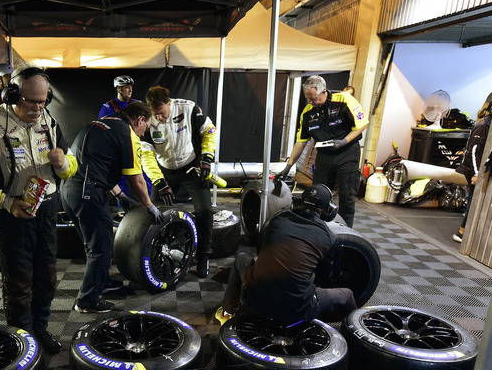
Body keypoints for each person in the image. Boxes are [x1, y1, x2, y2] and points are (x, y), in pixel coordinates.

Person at [0, 63, 78, 355]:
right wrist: (6, 202)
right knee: (19, 284)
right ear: (10, 93)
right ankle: (22, 343)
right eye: (31, 101)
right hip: (9, 214)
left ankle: (39, 329)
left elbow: (70, 166)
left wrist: (64, 164)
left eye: (43, 101)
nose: (38, 108)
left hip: (47, 210)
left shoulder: (48, 122)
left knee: (46, 279)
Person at [61, 102, 163, 313]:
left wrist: (120, 195)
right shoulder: (128, 134)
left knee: (93, 245)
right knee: (101, 247)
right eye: (147, 126)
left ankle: (101, 282)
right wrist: (150, 206)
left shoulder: (101, 123)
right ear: (140, 120)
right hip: (88, 194)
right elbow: (137, 180)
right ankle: (87, 301)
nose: (145, 133)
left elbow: (98, 164)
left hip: (68, 191)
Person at [215, 184, 357, 326]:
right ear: (329, 211)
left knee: (242, 258)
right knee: (347, 295)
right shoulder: (328, 237)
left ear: (297, 202)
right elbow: (326, 277)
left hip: (253, 300)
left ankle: (228, 311)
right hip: (296, 310)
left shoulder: (278, 220)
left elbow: (263, 250)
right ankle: (354, 332)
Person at [141, 85, 217, 278]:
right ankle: (154, 253)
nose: (159, 117)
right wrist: (159, 182)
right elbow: (147, 155)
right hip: (164, 170)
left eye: (162, 113)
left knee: (205, 211)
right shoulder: (147, 118)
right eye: (155, 114)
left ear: (169, 102)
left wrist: (207, 157)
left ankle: (204, 256)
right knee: (155, 213)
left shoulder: (189, 108)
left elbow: (209, 131)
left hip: (191, 168)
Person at [285, 76, 369, 227]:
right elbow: (301, 141)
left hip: (347, 154)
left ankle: (345, 230)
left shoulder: (344, 100)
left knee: (347, 196)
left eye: (313, 98)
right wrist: (289, 164)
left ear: (323, 92)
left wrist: (344, 141)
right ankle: (319, 228)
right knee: (318, 195)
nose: (310, 102)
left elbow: (362, 124)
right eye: (307, 98)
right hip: (324, 155)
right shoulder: (308, 112)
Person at [453, 90, 492, 243]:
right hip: (471, 169)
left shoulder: (490, 125)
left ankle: (468, 231)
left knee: (475, 200)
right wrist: (476, 174)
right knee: (474, 201)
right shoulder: (483, 126)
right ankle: (461, 233)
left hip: (476, 169)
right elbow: (473, 151)